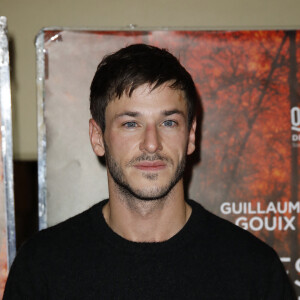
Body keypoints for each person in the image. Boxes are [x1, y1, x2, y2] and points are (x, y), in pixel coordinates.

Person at [4, 44, 295, 299]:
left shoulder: (253, 270)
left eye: (169, 122)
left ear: (191, 135)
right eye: (131, 124)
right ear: (97, 137)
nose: (152, 144)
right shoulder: (42, 268)